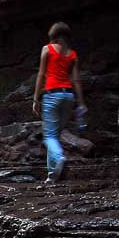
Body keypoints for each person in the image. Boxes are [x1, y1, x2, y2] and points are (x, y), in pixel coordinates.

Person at [32, 22, 86, 184]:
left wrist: (35, 98)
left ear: (53, 35)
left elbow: (41, 75)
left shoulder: (47, 49)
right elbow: (76, 80)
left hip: (52, 95)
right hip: (68, 96)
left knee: (49, 136)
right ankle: (52, 175)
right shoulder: (72, 54)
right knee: (54, 136)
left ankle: (59, 156)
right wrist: (81, 103)